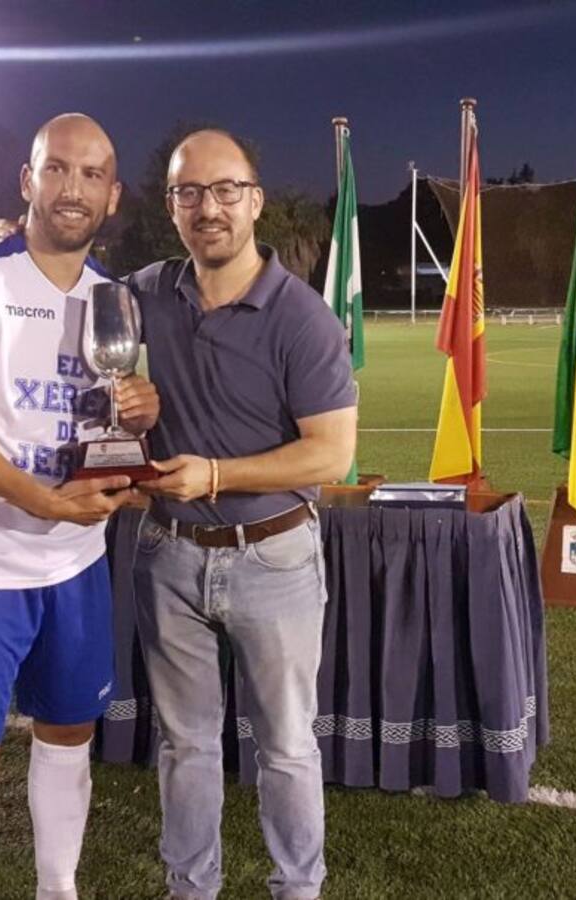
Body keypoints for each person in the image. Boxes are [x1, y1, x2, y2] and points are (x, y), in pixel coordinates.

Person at [0, 113, 159, 900]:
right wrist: (41, 500)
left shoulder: (111, 296)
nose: (72, 189)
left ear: (112, 196)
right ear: (29, 181)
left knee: (68, 732)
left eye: (91, 175)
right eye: (57, 170)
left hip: (76, 563)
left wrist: (136, 413)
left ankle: (59, 889)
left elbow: (98, 415)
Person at [129, 130, 357, 900]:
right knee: (185, 745)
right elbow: (75, 317)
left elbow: (330, 455)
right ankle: (190, 889)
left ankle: (298, 888)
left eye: (226, 190)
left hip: (274, 557)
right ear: (172, 207)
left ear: (255, 200)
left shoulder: (302, 318)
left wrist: (218, 473)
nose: (209, 208)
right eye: (190, 193)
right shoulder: (146, 293)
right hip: (169, 552)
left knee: (287, 746)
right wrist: (130, 404)